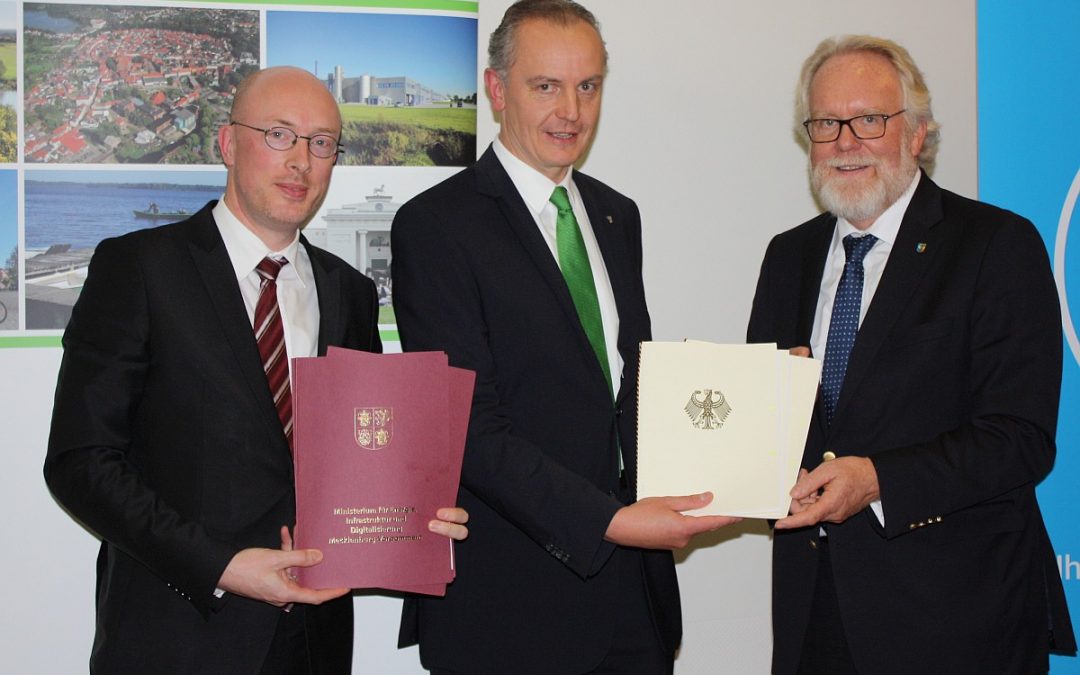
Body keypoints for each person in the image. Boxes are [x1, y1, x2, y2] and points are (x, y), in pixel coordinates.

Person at [44, 66, 468, 675]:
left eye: (321, 143)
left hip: (314, 641)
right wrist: (221, 565)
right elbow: (80, 462)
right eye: (278, 134)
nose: (301, 161)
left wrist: (417, 509)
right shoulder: (139, 268)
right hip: (177, 637)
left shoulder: (347, 292)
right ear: (226, 143)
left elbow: (361, 455)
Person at [391, 2, 737, 673]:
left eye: (588, 86)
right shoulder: (436, 225)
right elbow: (467, 427)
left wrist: (740, 425)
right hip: (509, 605)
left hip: (635, 598)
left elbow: (623, 391)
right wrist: (611, 522)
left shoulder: (617, 214)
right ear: (496, 90)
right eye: (545, 85)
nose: (571, 111)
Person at [747, 35, 1076, 674]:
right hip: (814, 617)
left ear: (918, 133)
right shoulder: (786, 257)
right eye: (825, 123)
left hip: (958, 623)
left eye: (870, 120)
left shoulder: (995, 246)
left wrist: (877, 480)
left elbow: (1020, 438)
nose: (845, 141)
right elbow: (767, 437)